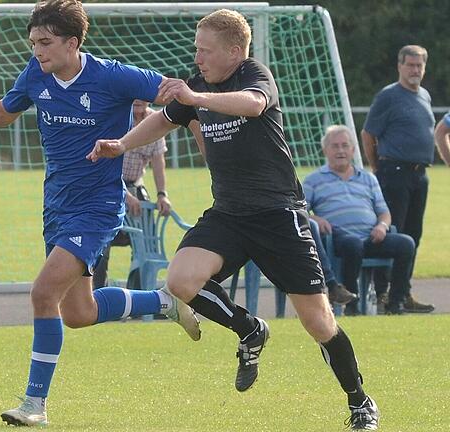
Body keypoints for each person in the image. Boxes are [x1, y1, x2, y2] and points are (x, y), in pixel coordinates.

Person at [0, 0, 203, 426]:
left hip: (99, 207)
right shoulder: (36, 74)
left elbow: (176, 94)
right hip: (57, 207)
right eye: (32, 42)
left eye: (45, 43)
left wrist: (207, 133)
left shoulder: (113, 75)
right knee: (78, 313)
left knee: (42, 294)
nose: (37, 51)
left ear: (73, 43)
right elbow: (0, 113)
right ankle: (161, 302)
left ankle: (34, 404)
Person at [88, 9, 380, 430]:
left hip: (278, 214)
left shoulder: (253, 76)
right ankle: (250, 329)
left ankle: (360, 403)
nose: (198, 58)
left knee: (318, 321)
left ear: (235, 51)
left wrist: (196, 99)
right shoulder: (198, 86)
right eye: (195, 49)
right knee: (180, 281)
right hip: (229, 213)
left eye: (205, 51)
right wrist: (121, 143)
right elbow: (162, 120)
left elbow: (254, 104)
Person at [304, 125, 416, 315]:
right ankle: (352, 304)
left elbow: (384, 212)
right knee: (353, 244)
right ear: (325, 150)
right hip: (339, 238)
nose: (340, 150)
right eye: (335, 146)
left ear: (353, 150)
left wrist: (382, 226)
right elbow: (300, 211)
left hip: (372, 236)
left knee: (406, 244)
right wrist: (316, 218)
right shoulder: (313, 180)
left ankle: (394, 302)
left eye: (345, 146)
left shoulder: (368, 178)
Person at [361, 45, 435, 313]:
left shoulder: (424, 95)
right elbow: (368, 134)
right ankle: (383, 294)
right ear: (400, 66)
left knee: (413, 235)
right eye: (410, 65)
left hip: (419, 174)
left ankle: (403, 293)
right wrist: (378, 166)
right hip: (394, 173)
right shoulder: (389, 96)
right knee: (393, 234)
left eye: (419, 66)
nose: (415, 70)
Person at [92, 99, 172, 290]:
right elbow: (102, 164)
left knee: (146, 241)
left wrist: (162, 194)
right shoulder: (115, 117)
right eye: (134, 95)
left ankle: (138, 296)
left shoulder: (155, 121)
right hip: (108, 187)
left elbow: (158, 162)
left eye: (142, 96)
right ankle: (97, 296)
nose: (138, 101)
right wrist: (124, 195)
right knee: (101, 243)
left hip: (136, 185)